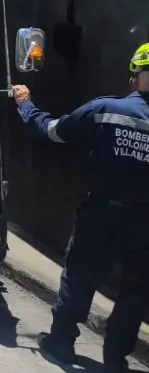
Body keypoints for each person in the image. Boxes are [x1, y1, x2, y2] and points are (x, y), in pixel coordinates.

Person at [13, 42, 149, 372]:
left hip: (102, 215)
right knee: (135, 292)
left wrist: (24, 102)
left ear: (134, 79)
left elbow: (50, 131)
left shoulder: (104, 110)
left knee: (79, 278)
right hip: (145, 221)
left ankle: (61, 343)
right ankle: (116, 359)